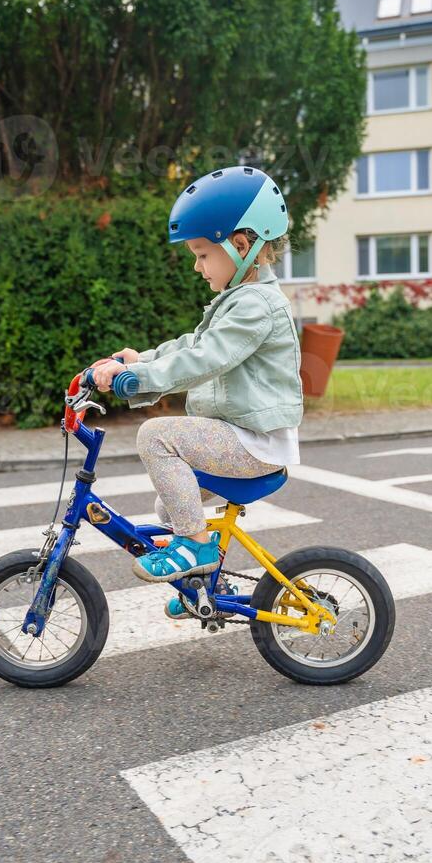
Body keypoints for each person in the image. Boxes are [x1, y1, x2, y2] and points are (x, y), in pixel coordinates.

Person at [89, 165, 304, 615]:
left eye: (203, 253)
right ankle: (206, 587)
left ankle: (194, 548)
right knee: (169, 506)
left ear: (240, 246)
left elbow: (207, 359)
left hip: (254, 443)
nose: (196, 264)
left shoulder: (256, 306)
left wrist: (139, 383)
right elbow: (192, 345)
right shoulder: (239, 300)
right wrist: (140, 361)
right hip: (240, 437)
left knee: (156, 436)